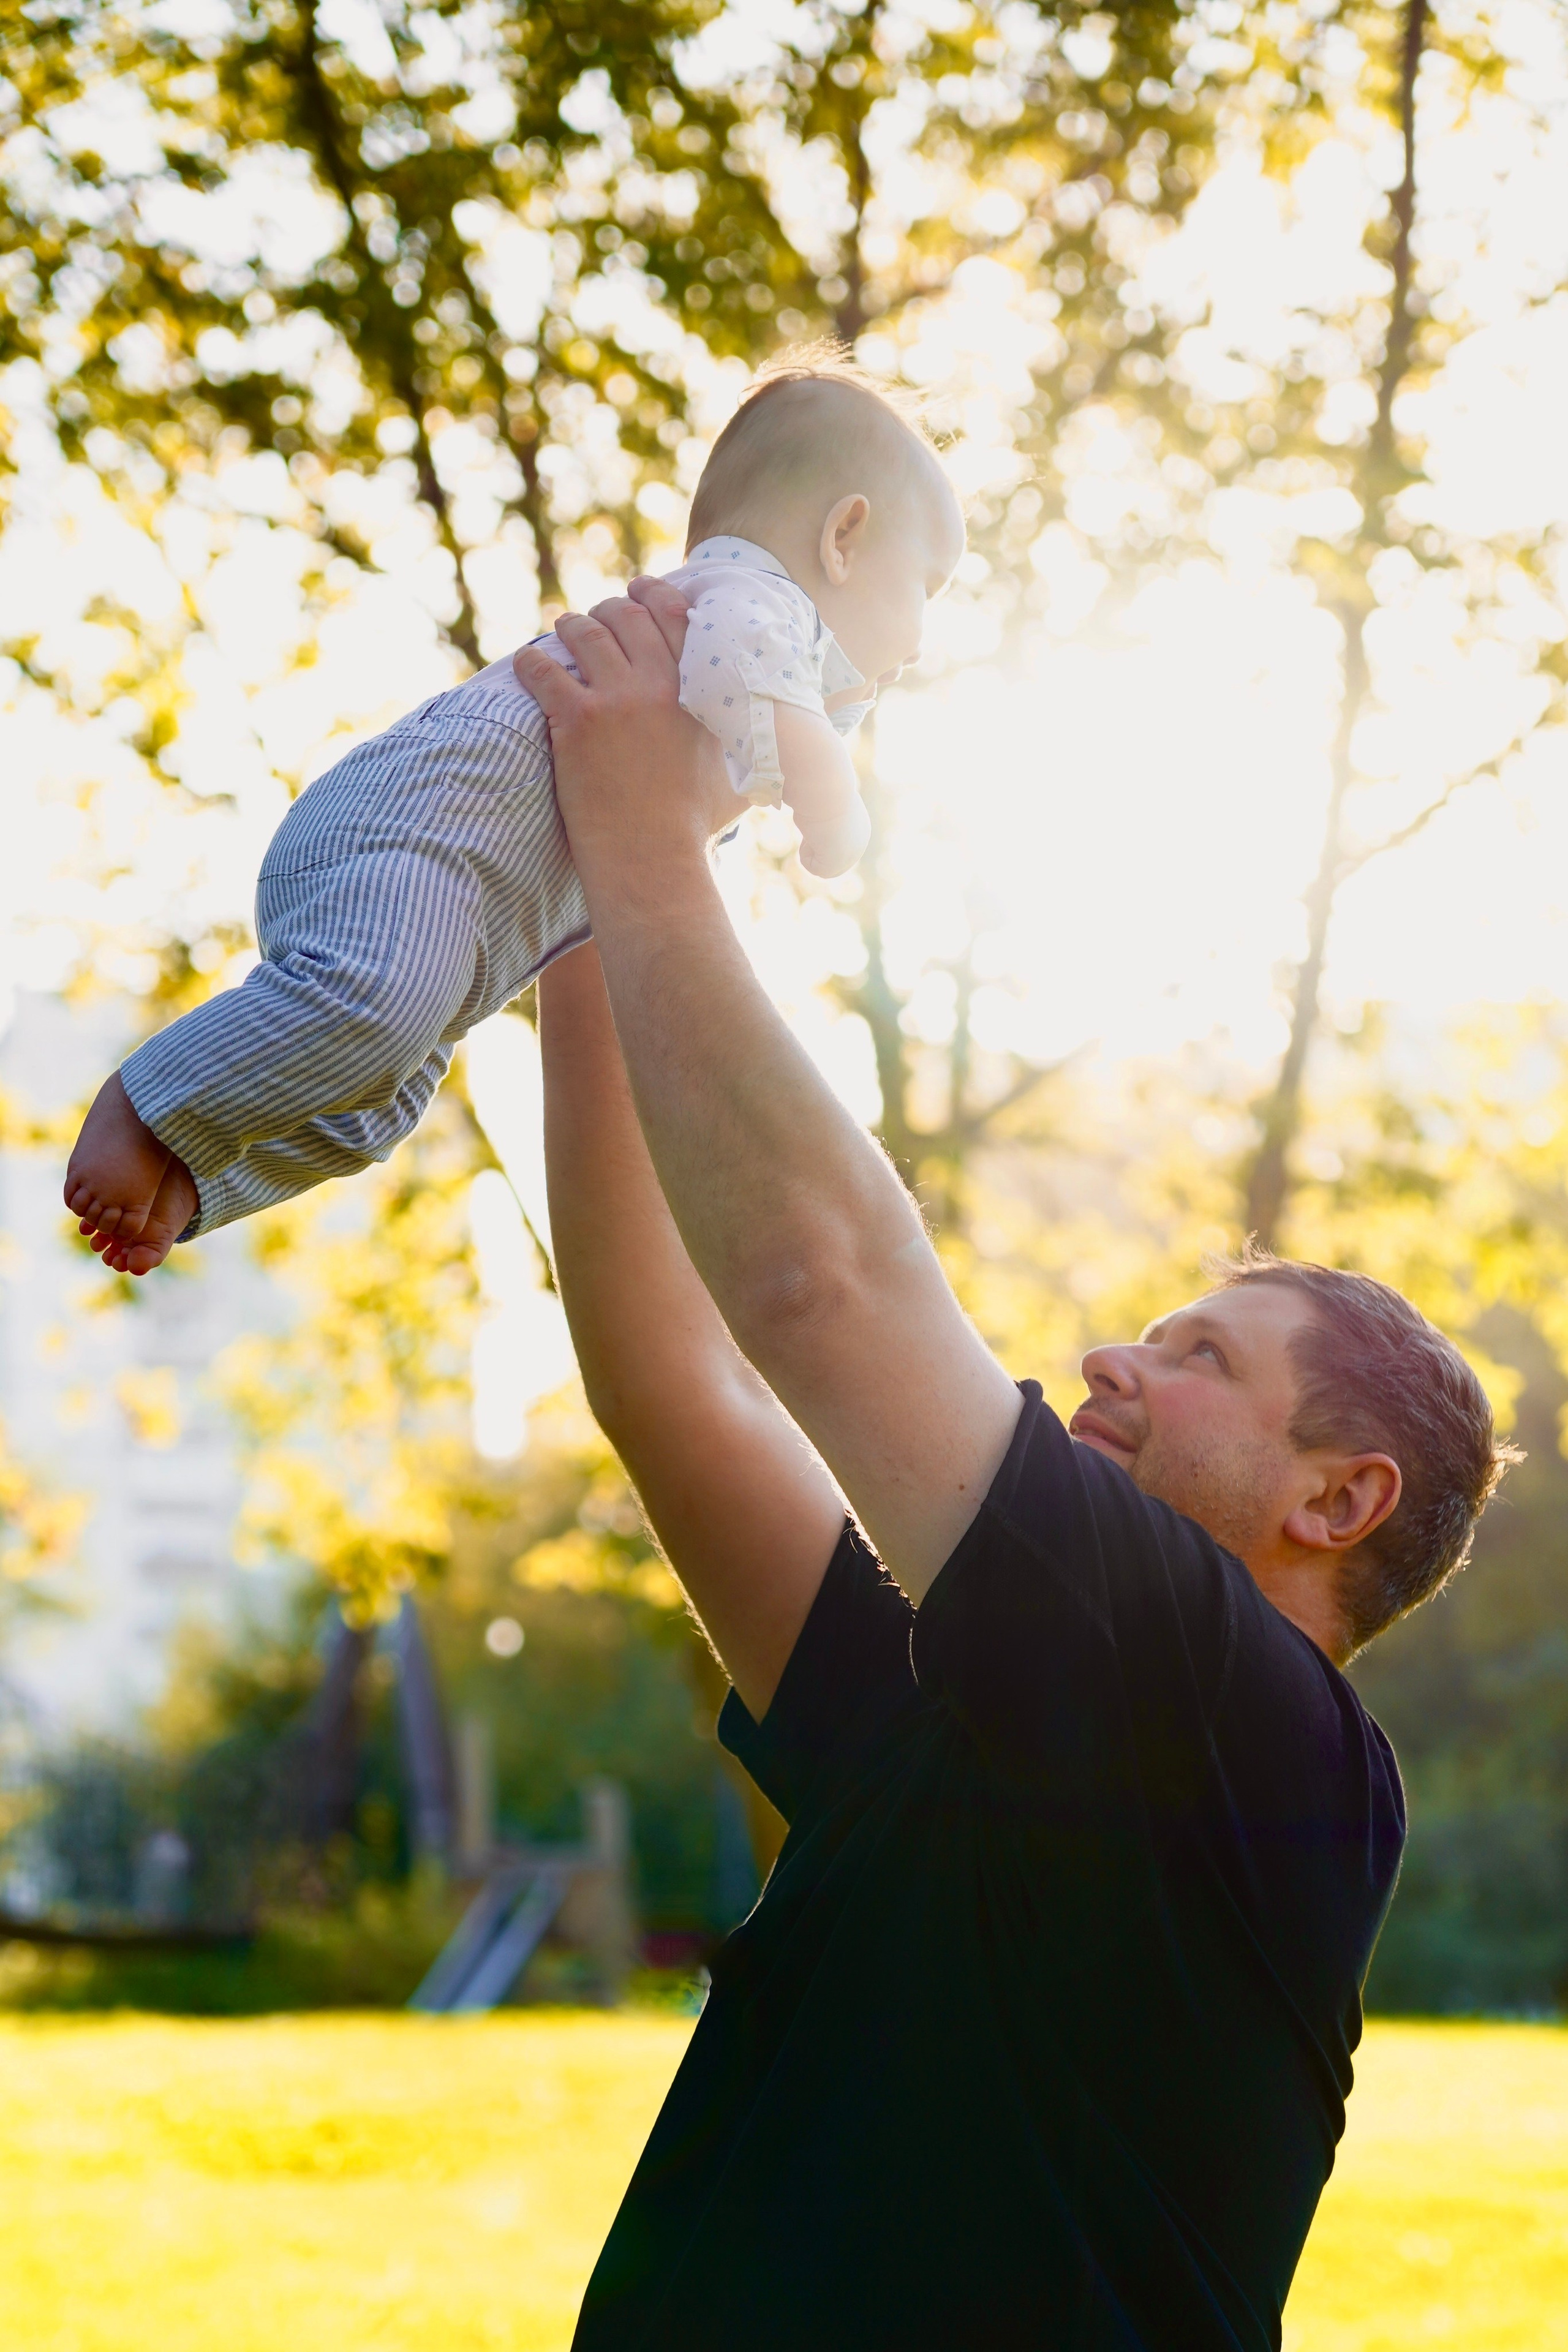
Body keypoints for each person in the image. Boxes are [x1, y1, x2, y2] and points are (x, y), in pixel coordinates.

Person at [517, 579, 1512, 2351]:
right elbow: (674, 1388)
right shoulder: (968, 1704)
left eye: (1202, 1358)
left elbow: (815, 1282)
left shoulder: (1255, 1736)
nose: (1115, 1359)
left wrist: (644, 825)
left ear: (1336, 1499)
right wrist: (583, 917)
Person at [61, 352, 962, 1274]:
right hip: (408, 834)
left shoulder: (745, 660)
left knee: (382, 1100)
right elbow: (772, 705)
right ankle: (145, 1103)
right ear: (844, 537)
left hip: (458, 922)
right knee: (376, 1012)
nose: (925, 640)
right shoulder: (746, 602)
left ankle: (195, 1169)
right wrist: (837, 813)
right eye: (925, 588)